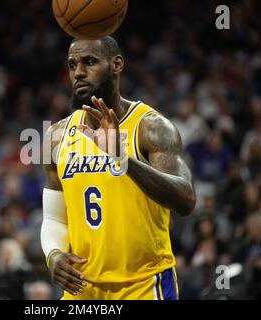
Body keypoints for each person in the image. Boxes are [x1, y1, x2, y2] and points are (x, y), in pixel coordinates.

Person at [41, 36, 196, 300]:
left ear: (116, 65)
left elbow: (185, 200)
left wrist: (122, 159)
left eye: (89, 62)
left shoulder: (151, 128)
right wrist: (53, 255)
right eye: (72, 64)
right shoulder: (57, 135)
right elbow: (54, 218)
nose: (78, 72)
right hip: (83, 287)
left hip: (145, 285)